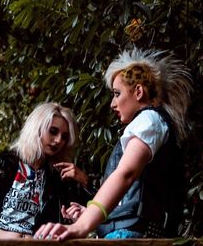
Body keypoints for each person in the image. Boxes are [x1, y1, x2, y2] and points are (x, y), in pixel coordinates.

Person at [34, 47, 192, 240]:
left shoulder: (149, 120)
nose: (112, 103)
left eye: (117, 93)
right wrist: (91, 213)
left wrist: (81, 226)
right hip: (130, 231)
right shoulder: (152, 124)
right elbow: (133, 196)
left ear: (139, 92)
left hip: (133, 234)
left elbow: (125, 174)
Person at [0, 102, 83, 239]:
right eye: (53, 131)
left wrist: (84, 181)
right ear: (37, 128)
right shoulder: (2, 165)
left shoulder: (56, 177)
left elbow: (82, 216)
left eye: (64, 137)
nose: (58, 140)